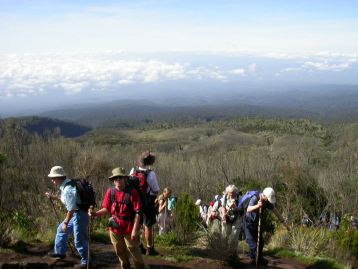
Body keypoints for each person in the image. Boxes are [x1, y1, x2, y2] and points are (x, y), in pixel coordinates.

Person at [88, 167, 145, 269]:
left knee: (132, 248)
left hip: (129, 226)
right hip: (115, 225)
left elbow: (138, 212)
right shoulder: (110, 192)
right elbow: (106, 208)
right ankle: (125, 266)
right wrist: (95, 214)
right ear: (113, 181)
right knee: (119, 249)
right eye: (115, 178)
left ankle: (140, 267)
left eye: (120, 178)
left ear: (125, 179)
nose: (118, 180)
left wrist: (135, 230)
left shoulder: (132, 192)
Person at [45, 166, 89, 269]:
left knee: (79, 239)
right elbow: (66, 199)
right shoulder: (66, 185)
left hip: (80, 214)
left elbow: (72, 208)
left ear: (59, 177)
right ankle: (60, 253)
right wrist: (53, 197)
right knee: (61, 230)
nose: (52, 180)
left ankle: (85, 262)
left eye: (53, 178)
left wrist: (66, 222)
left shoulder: (68, 188)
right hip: (76, 213)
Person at [244, 187, 288, 265]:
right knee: (253, 243)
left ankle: (255, 258)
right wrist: (258, 206)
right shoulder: (255, 198)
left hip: (257, 223)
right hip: (248, 222)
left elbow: (275, 211)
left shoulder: (267, 202)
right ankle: (256, 259)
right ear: (264, 195)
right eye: (267, 198)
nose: (268, 200)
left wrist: (283, 222)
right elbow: (248, 209)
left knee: (261, 243)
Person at [130, 151, 160, 255]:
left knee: (137, 225)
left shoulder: (133, 170)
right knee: (148, 226)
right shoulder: (151, 174)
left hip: (135, 202)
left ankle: (139, 246)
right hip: (148, 202)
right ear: (149, 163)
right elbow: (156, 190)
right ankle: (149, 249)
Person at [221, 185, 241, 251]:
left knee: (234, 236)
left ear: (235, 191)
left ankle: (232, 252)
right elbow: (223, 207)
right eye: (230, 192)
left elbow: (241, 210)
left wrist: (235, 207)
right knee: (224, 235)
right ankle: (223, 250)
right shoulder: (225, 197)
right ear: (227, 192)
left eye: (232, 192)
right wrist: (224, 214)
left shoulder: (239, 198)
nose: (231, 194)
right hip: (227, 217)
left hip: (236, 218)